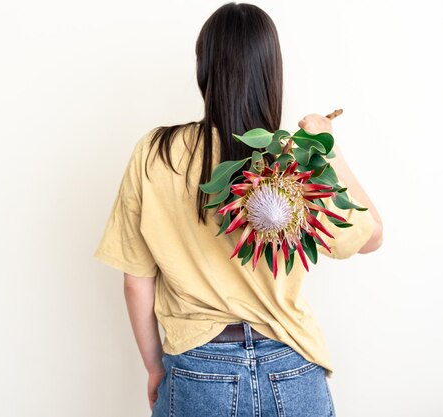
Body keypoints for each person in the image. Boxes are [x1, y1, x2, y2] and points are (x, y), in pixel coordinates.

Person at [93, 2, 383, 416]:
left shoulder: (156, 153)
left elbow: (136, 281)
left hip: (196, 372)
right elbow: (372, 237)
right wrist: (326, 148)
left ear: (204, 69)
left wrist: (155, 369)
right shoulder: (295, 156)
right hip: (292, 368)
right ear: (272, 73)